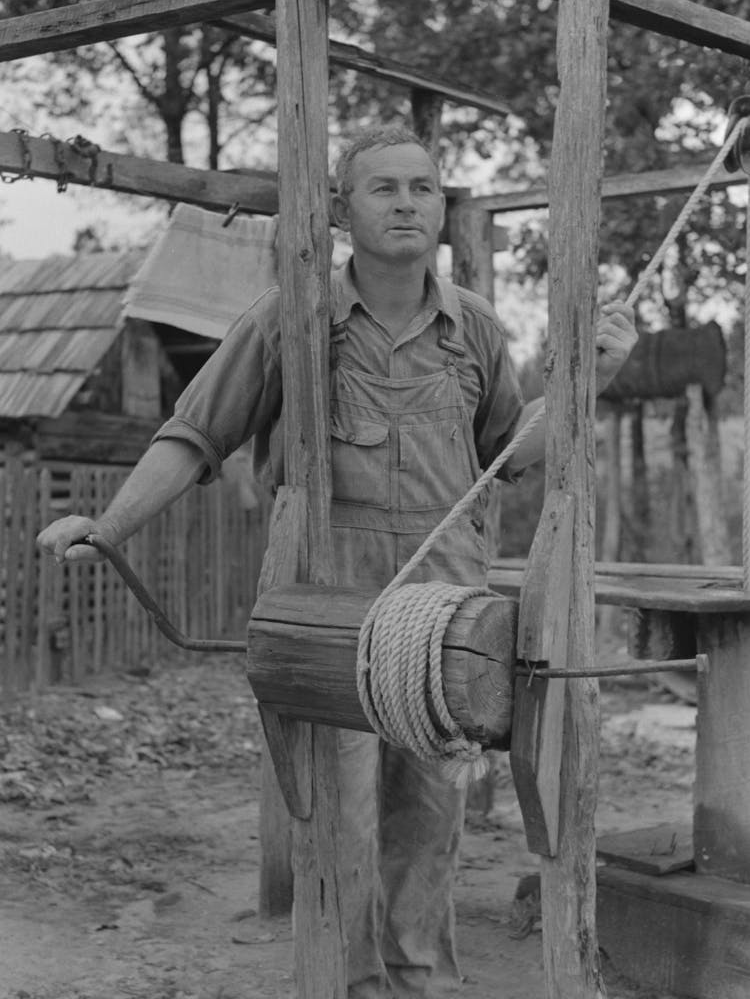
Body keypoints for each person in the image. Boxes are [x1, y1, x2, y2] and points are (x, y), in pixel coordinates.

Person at [38, 124, 637, 999]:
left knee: (432, 821)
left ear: (440, 207)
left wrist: (593, 383)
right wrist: (113, 525)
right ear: (342, 210)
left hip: (443, 616)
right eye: (383, 187)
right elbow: (197, 433)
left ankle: (419, 985)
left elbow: (512, 453)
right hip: (328, 607)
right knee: (339, 822)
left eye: (423, 188)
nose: (405, 202)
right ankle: (347, 987)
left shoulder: (474, 327)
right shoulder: (292, 317)